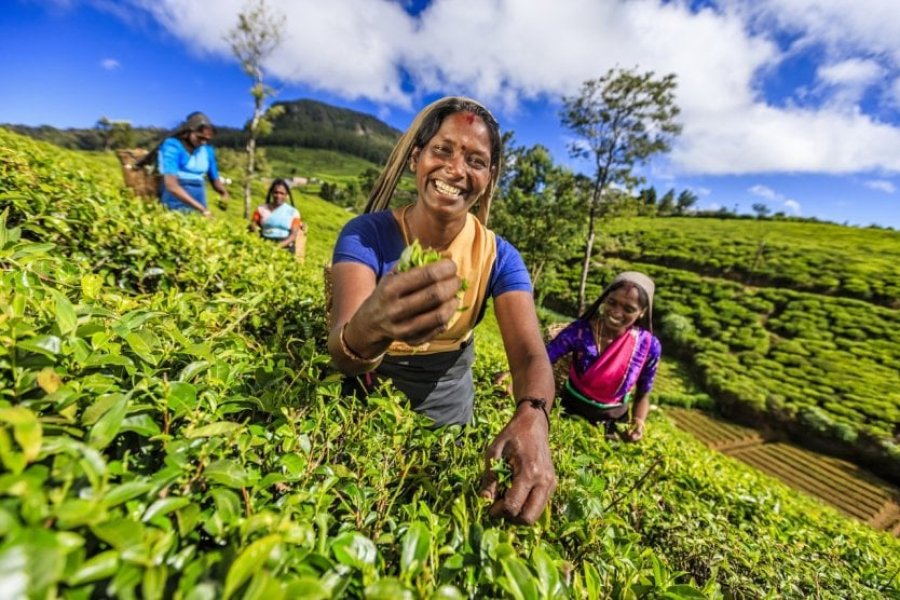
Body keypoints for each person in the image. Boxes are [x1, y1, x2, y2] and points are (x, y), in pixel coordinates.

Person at [328, 96, 556, 525]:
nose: (456, 170)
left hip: (447, 394)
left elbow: (528, 354)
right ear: (416, 158)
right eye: (442, 150)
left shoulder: (498, 257)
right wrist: (371, 326)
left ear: (488, 179)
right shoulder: (367, 236)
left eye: (475, 160)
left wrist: (533, 415)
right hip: (366, 388)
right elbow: (342, 351)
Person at [546, 272, 661, 442]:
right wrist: (514, 377)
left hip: (611, 426)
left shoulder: (648, 346)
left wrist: (638, 422)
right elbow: (544, 358)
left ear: (642, 312)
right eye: (612, 302)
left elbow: (643, 394)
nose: (616, 312)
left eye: (628, 309)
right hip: (567, 412)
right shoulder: (580, 331)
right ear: (605, 298)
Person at [158, 111, 228, 216]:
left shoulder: (207, 151)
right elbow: (171, 185)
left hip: (199, 198)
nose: (203, 142)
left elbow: (214, 179)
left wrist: (223, 192)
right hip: (175, 198)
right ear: (189, 132)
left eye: (207, 139)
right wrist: (201, 209)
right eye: (200, 138)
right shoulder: (173, 145)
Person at [249, 179, 303, 252]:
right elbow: (253, 225)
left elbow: (293, 235)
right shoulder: (261, 209)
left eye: (281, 193)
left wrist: (277, 246)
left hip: (285, 246)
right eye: (276, 192)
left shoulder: (293, 212)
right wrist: (253, 226)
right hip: (264, 244)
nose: (278, 196)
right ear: (271, 193)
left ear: (286, 195)